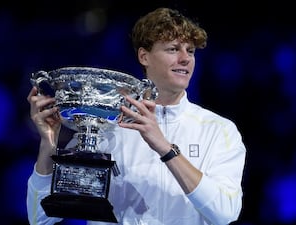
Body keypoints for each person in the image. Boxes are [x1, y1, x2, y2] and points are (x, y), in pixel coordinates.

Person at [26, 7, 246, 225]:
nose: (185, 59)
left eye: (190, 51)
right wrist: (49, 145)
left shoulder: (219, 130)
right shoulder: (108, 125)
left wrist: (166, 149)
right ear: (144, 56)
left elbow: (225, 213)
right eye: (173, 49)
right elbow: (39, 219)